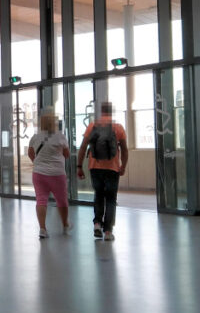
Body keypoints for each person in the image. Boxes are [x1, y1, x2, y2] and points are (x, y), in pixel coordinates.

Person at [76, 101, 128, 241]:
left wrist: (79, 166)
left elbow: (83, 147)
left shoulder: (92, 126)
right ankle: (108, 232)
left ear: (101, 111)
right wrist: (123, 166)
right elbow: (124, 149)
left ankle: (97, 224)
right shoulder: (118, 128)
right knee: (111, 199)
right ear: (111, 112)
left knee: (98, 195)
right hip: (112, 168)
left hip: (95, 167)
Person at [27, 110, 71, 239]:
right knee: (61, 200)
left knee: (41, 200)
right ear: (54, 123)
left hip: (39, 174)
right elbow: (67, 154)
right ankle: (65, 224)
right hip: (57, 174)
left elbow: (30, 153)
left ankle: (42, 229)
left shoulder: (35, 137)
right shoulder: (60, 136)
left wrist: (38, 163)